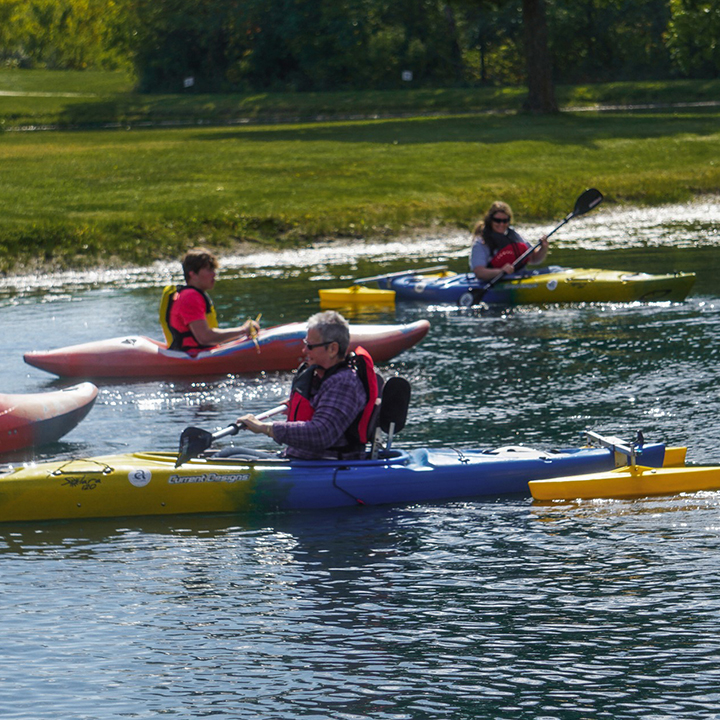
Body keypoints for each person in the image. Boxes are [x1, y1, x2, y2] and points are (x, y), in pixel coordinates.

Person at [237, 310, 378, 460]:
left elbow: (322, 433)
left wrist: (264, 428)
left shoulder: (344, 383)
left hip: (324, 465)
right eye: (305, 344)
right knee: (230, 454)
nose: (304, 350)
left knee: (231, 459)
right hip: (303, 459)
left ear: (332, 349)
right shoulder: (322, 377)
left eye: (310, 346)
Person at [165, 248, 259, 353]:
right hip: (194, 355)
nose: (214, 274)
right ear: (193, 274)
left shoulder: (189, 294)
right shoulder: (190, 296)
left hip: (198, 351)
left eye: (213, 270)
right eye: (209, 270)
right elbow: (205, 338)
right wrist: (243, 330)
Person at [469, 201, 549, 282]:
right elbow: (479, 272)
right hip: (496, 281)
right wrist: (501, 271)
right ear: (490, 220)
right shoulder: (481, 243)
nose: (501, 224)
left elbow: (534, 259)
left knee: (555, 269)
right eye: (497, 220)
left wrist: (543, 248)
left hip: (519, 276)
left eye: (505, 221)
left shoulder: (514, 236)